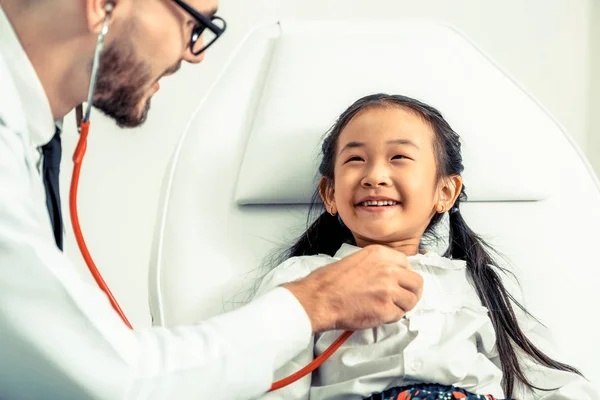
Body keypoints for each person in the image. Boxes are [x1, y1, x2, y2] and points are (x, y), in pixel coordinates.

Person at [0, 1, 425, 399]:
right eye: (193, 24)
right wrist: (316, 301)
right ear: (100, 4)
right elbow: (107, 378)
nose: (195, 54)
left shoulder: (28, 141)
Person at [255, 94, 600, 399]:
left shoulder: (475, 285)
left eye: (399, 157)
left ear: (444, 192)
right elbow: (270, 385)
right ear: (330, 194)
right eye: (355, 159)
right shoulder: (304, 278)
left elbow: (545, 383)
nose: (374, 175)